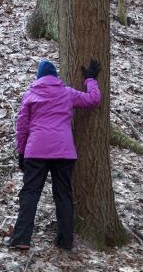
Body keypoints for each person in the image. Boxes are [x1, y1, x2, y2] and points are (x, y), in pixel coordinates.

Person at [6, 59, 101, 251]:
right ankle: (65, 241)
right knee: (63, 195)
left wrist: (21, 152)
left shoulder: (30, 95)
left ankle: (21, 238)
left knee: (30, 194)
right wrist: (90, 79)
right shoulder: (66, 93)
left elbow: (22, 127)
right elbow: (93, 99)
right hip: (63, 151)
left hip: (36, 151)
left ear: (39, 77)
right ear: (56, 77)